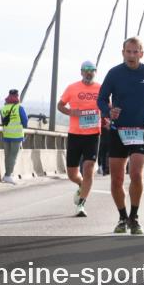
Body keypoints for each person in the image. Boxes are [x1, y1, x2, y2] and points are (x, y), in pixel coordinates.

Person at [97, 37, 144, 235]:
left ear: (142, 53)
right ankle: (122, 217)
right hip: (118, 131)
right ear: (122, 52)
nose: (131, 56)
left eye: (135, 52)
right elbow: (101, 99)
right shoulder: (114, 73)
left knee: (136, 174)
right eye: (128, 52)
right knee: (116, 178)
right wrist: (108, 111)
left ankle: (135, 216)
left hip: (141, 130)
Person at [58, 60, 102, 217]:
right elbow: (60, 105)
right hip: (75, 134)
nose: (89, 72)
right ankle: (81, 184)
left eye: (92, 70)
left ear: (95, 72)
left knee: (88, 168)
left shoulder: (100, 88)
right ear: (81, 72)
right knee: (71, 173)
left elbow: (107, 107)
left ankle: (81, 204)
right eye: (86, 70)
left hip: (93, 135)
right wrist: (71, 112)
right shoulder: (72, 87)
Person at [0, 89, 27, 184]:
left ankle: (6, 174)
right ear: (17, 96)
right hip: (16, 135)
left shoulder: (3, 108)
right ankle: (8, 175)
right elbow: (25, 121)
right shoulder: (19, 107)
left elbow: (2, 122)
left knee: (7, 156)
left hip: (6, 135)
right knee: (13, 156)